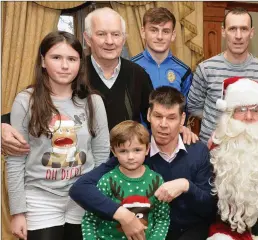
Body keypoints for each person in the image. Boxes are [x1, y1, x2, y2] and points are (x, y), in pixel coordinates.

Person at [1, 7, 198, 158]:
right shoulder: (73, 70)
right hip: (79, 165)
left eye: (115, 34)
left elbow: (154, 113)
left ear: (124, 39)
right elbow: (37, 101)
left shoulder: (138, 74)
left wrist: (180, 127)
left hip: (128, 164)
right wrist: (3, 124)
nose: (109, 41)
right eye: (101, 34)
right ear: (87, 38)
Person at [70, 86, 214, 240]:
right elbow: (79, 189)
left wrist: (187, 186)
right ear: (148, 115)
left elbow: (210, 210)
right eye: (158, 116)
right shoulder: (134, 153)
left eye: (171, 118)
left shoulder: (198, 152)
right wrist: (122, 214)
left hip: (188, 231)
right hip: (145, 233)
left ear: (182, 119)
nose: (163, 124)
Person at [6, 31, 110, 240]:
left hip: (82, 197)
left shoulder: (93, 102)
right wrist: (17, 212)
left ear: (80, 64)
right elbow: (15, 160)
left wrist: (98, 199)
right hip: (40, 198)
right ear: (43, 61)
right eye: (56, 58)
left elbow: (101, 155)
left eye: (72, 59)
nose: (65, 66)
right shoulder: (25, 101)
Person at [187, 7, 258, 144]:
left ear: (252, 32)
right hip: (212, 151)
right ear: (223, 32)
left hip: (252, 151)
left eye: (244, 29)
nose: (238, 36)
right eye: (232, 29)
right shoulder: (206, 69)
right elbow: (193, 106)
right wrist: (219, 120)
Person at [206, 78, 258, 240]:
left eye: (256, 110)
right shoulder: (217, 149)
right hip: (225, 232)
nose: (248, 116)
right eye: (241, 109)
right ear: (230, 114)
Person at [81, 120, 169, 240]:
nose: (131, 157)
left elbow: (162, 219)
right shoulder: (106, 181)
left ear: (147, 149)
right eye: (123, 151)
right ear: (114, 152)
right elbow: (89, 220)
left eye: (137, 150)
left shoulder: (157, 181)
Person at [131, 7, 192, 98]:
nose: (160, 37)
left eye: (166, 31)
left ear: (173, 35)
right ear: (143, 32)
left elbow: (186, 109)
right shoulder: (130, 67)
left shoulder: (184, 71)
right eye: (154, 30)